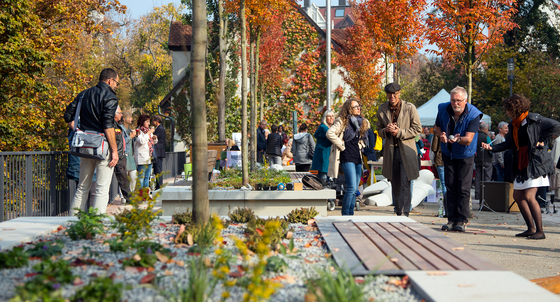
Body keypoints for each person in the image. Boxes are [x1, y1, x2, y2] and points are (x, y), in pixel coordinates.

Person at [482, 94, 560, 240]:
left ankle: (540, 231)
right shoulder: (514, 124)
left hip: (534, 163)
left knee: (530, 196)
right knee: (518, 196)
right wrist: (492, 148)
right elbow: (510, 143)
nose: (507, 112)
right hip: (521, 162)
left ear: (515, 108)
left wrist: (540, 139)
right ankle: (531, 228)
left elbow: (556, 126)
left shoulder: (534, 119)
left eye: (508, 109)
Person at [63, 68, 119, 215]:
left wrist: (79, 131)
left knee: (82, 186)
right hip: (102, 146)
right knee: (102, 187)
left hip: (85, 146)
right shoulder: (110, 97)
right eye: (116, 83)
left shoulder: (84, 94)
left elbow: (68, 116)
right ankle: (97, 224)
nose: (116, 86)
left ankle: (73, 221)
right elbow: (108, 125)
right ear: (110, 80)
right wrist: (114, 151)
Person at [435, 86, 482, 232]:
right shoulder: (443, 109)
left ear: (465, 101)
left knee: (463, 187)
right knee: (449, 185)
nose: (455, 104)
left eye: (458, 101)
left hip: (465, 154)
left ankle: (461, 220)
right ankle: (451, 218)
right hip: (448, 153)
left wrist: (457, 139)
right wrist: (441, 135)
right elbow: (436, 127)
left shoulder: (473, 114)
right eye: (453, 100)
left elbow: (468, 139)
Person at [376, 83, 422, 217]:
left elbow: (417, 128)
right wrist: (386, 130)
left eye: (394, 93)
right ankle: (398, 211)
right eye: (389, 94)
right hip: (391, 152)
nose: (392, 96)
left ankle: (404, 212)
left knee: (405, 182)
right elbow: (378, 130)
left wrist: (400, 132)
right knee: (394, 182)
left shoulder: (410, 108)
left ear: (399, 93)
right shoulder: (382, 109)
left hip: (407, 151)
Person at [327, 99, 370, 215]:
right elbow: (329, 133)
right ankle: (346, 214)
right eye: (355, 106)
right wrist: (341, 145)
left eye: (359, 106)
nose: (358, 108)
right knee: (351, 188)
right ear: (349, 109)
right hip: (346, 156)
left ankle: (350, 214)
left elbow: (363, 139)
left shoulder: (361, 122)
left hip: (357, 157)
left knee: (355, 189)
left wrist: (360, 144)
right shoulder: (342, 121)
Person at [113, 106, 131, 204]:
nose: (121, 115)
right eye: (120, 113)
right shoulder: (112, 125)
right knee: (122, 177)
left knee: (124, 177)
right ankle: (129, 198)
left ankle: (129, 198)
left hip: (121, 154)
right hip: (117, 155)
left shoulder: (117, 125)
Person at [135, 114, 158, 190]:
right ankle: (140, 195)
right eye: (147, 122)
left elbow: (153, 143)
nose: (148, 123)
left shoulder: (149, 132)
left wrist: (154, 138)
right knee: (141, 178)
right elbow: (141, 141)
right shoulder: (138, 131)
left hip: (149, 157)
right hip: (142, 158)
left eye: (149, 122)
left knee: (147, 177)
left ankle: (145, 194)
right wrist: (148, 134)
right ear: (142, 122)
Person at [311, 110, 335, 182]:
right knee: (324, 178)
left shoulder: (325, 127)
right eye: (329, 116)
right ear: (325, 118)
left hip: (324, 154)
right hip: (324, 155)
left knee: (323, 176)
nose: (331, 118)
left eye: (332, 116)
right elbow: (333, 139)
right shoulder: (324, 128)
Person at [474, 121, 493, 201]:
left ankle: (477, 194)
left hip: (477, 160)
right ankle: (486, 194)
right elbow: (490, 149)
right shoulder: (486, 137)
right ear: (485, 129)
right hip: (487, 160)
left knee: (478, 177)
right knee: (487, 178)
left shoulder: (475, 137)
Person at [431, 133, 447, 216]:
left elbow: (434, 147)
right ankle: (450, 208)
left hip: (440, 158)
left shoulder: (438, 130)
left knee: (444, 184)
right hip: (452, 158)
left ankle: (445, 209)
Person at [122, 111, 137, 191]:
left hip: (131, 157)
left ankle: (130, 195)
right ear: (124, 119)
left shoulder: (130, 129)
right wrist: (130, 137)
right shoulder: (120, 128)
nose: (131, 119)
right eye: (129, 117)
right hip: (124, 156)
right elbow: (121, 141)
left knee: (134, 177)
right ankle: (123, 197)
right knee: (123, 178)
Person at [152, 115, 166, 190]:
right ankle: (158, 186)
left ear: (157, 121)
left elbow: (155, 137)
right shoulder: (158, 128)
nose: (152, 122)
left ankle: (159, 186)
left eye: (153, 120)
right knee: (157, 169)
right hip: (158, 152)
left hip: (158, 152)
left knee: (158, 170)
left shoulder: (160, 129)